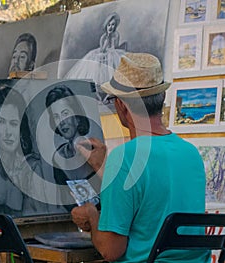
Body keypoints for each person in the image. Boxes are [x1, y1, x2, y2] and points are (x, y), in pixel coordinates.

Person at [71, 53, 211, 263]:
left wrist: (92, 216)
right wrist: (103, 167)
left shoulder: (125, 158)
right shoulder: (190, 154)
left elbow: (111, 250)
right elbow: (151, 196)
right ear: (160, 99)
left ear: (121, 106)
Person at [0, 85, 49, 217]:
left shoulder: (32, 167)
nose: (8, 132)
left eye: (13, 124)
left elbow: (43, 216)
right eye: (0, 122)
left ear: (21, 128)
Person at [45, 84, 101, 211]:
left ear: (77, 117)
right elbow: (66, 201)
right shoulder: (58, 157)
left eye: (65, 113)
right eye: (56, 116)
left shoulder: (97, 150)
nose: (61, 121)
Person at [64, 12, 127, 103]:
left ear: (115, 26)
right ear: (106, 26)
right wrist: (107, 39)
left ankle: (111, 94)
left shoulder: (116, 35)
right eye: (109, 25)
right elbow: (102, 49)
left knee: (112, 70)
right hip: (102, 53)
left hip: (112, 53)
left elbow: (114, 46)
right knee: (95, 66)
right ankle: (99, 95)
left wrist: (110, 42)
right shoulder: (104, 37)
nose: (111, 27)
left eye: (113, 25)